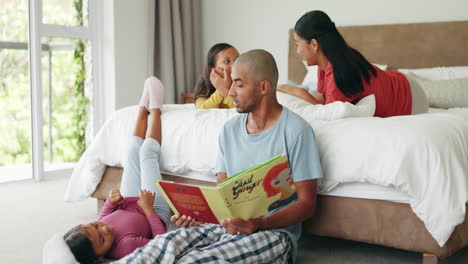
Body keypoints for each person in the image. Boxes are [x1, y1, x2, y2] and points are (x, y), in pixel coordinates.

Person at [115, 49, 322, 264]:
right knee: (163, 244)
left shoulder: (297, 131)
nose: (230, 91)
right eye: (231, 83)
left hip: (273, 234)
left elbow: (307, 204)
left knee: (197, 260)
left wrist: (258, 223)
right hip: (224, 226)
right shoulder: (229, 130)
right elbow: (222, 195)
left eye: (239, 84)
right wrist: (196, 217)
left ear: (263, 88)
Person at [59, 77, 171, 263]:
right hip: (155, 209)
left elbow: (105, 217)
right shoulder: (124, 247)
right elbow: (160, 242)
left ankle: (143, 109)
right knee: (146, 153)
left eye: (95, 225)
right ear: (99, 258)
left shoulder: (100, 227)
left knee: (132, 150)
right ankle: (156, 110)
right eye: (102, 239)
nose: (104, 229)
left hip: (129, 201)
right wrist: (149, 210)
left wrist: (111, 202)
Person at [278, 10, 428, 117]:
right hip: (399, 83)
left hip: (411, 98)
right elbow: (321, 100)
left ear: (314, 44)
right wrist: (289, 89)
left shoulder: (338, 71)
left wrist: (299, 92)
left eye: (298, 44)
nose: (297, 51)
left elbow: (327, 111)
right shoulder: (324, 67)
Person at [194, 43, 239, 109]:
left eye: (236, 60)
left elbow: (244, 112)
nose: (234, 65)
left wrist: (225, 92)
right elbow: (201, 108)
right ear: (213, 69)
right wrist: (221, 90)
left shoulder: (244, 86)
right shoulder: (205, 90)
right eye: (227, 61)